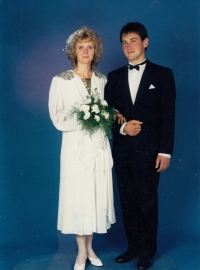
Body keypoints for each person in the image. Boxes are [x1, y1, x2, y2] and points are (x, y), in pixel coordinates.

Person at [105, 22, 176, 270]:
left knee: (147, 201)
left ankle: (147, 251)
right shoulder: (113, 78)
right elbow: (106, 116)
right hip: (123, 151)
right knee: (127, 200)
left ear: (145, 42)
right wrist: (123, 128)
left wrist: (165, 151)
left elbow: (168, 116)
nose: (128, 47)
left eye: (133, 41)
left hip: (149, 152)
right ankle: (133, 247)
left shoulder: (163, 74)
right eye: (124, 43)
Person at [49, 27, 119, 270]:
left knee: (94, 197)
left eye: (90, 47)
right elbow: (58, 118)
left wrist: (103, 116)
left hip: (98, 148)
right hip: (76, 151)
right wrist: (84, 117)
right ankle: (81, 252)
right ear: (74, 51)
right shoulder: (61, 80)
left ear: (95, 50)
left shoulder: (102, 80)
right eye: (81, 47)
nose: (86, 51)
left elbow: (109, 114)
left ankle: (90, 248)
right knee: (79, 199)